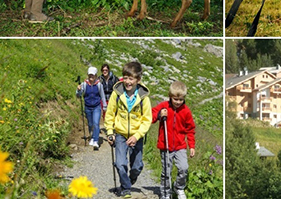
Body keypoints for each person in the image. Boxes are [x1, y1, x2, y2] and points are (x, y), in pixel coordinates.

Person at [105, 61, 152, 199]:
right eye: (125, 77)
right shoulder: (117, 94)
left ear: (138, 80)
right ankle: (126, 187)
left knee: (136, 166)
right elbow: (110, 114)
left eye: (131, 78)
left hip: (137, 135)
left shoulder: (144, 98)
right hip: (120, 134)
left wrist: (137, 136)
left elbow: (146, 120)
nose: (127, 81)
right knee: (120, 164)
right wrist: (109, 132)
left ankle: (130, 179)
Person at [152, 81, 196, 199]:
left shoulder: (186, 111)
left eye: (180, 99)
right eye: (175, 99)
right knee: (166, 170)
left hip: (180, 146)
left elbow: (190, 129)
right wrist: (159, 115)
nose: (178, 102)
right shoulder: (163, 106)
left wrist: (191, 145)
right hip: (165, 145)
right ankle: (165, 192)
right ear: (170, 97)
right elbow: (151, 116)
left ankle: (179, 187)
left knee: (183, 167)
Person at [76, 66, 107, 149]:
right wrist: (78, 90)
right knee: (90, 124)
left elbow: (102, 96)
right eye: (90, 75)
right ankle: (92, 136)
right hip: (88, 107)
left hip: (97, 107)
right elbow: (78, 96)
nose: (91, 77)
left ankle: (96, 140)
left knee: (96, 124)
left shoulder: (99, 85)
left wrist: (104, 106)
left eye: (92, 75)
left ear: (96, 76)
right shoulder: (84, 84)